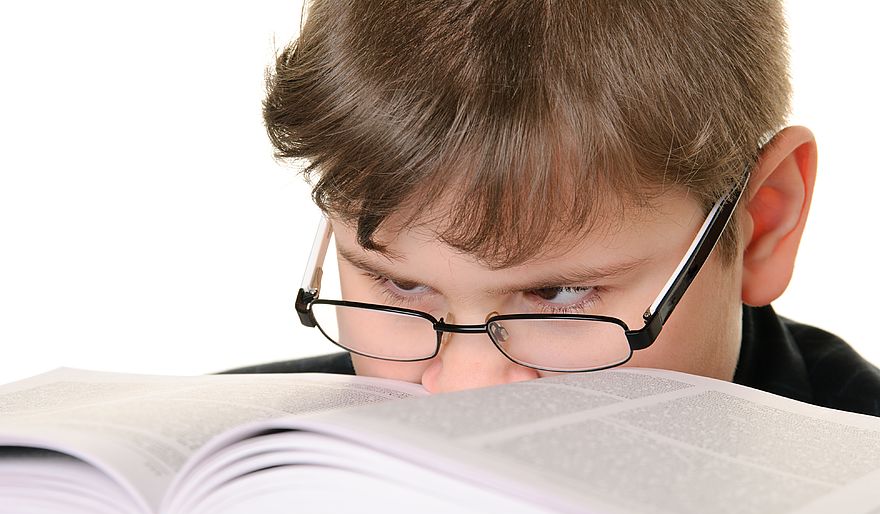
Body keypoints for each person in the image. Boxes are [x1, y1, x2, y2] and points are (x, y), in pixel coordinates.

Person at [225, 0, 880, 417]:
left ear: (761, 223)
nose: (467, 390)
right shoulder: (222, 481)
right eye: (399, 284)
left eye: (560, 293)